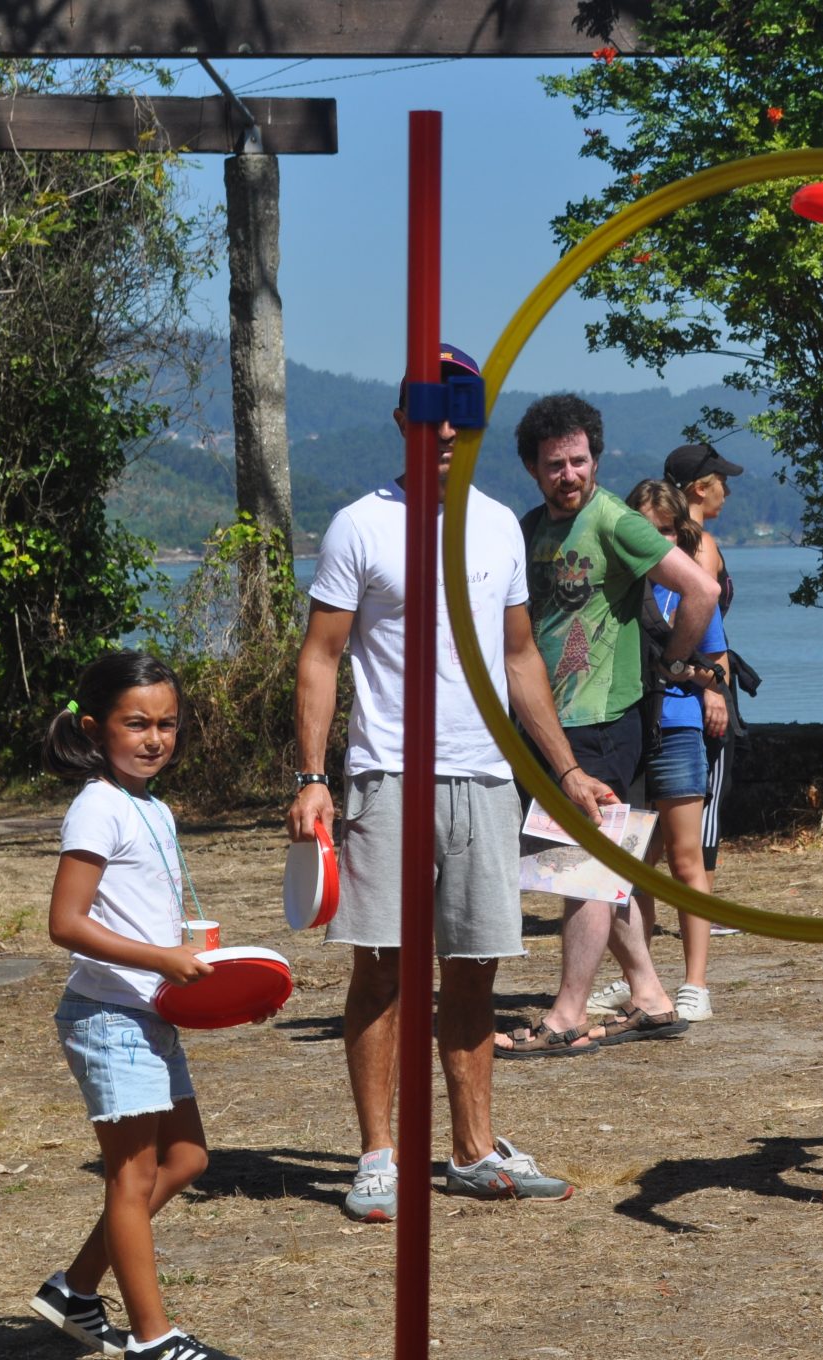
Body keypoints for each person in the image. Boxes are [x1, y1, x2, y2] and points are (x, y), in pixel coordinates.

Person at [289, 342, 597, 1222]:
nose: (451, 427)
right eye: (434, 410)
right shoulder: (360, 524)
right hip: (389, 774)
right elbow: (321, 655)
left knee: (473, 970)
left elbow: (520, 655)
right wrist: (315, 776)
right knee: (383, 970)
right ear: (403, 421)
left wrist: (565, 768)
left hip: (485, 778)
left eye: (466, 410)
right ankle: (379, 1156)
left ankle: (471, 1149)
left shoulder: (499, 522)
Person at [493, 394, 721, 1056]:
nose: (570, 475)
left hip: (604, 720)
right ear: (534, 469)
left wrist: (673, 662)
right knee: (584, 863)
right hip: (549, 725)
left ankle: (566, 1012)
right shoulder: (533, 526)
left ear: (596, 458)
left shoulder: (617, 521)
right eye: (555, 464)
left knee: (580, 869)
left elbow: (700, 590)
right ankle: (649, 994)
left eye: (579, 460)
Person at [34, 650, 241, 1360]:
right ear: (95, 728)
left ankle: (76, 1289)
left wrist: (226, 989)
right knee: (132, 1176)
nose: (155, 739)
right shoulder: (97, 806)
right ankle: (153, 1340)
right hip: (108, 1015)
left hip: (149, 1010)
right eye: (136, 724)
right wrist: (162, 962)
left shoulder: (151, 806)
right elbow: (66, 922)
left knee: (185, 1159)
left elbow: (153, 920)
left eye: (168, 724)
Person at [622, 479, 730, 1021]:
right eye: (645, 529)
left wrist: (712, 692)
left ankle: (696, 983)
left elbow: (719, 660)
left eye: (666, 529)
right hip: (625, 732)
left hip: (678, 727)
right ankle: (639, 982)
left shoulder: (690, 585)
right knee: (634, 863)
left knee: (687, 860)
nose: (656, 539)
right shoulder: (614, 588)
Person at [664, 442, 745, 899]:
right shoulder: (700, 544)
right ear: (699, 488)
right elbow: (689, 617)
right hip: (700, 684)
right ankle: (703, 903)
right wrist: (713, 689)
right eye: (722, 483)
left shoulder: (665, 541)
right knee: (708, 795)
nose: (727, 493)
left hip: (681, 681)